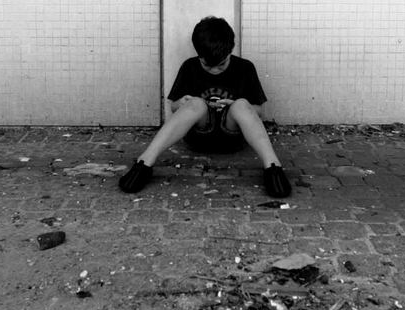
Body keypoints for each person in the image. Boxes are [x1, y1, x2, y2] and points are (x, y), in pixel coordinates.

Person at [119, 16, 291, 198]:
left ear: (231, 51)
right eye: (208, 66)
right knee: (195, 103)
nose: (215, 70)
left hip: (232, 137)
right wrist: (182, 103)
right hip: (199, 136)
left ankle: (273, 167)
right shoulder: (189, 67)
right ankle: (144, 163)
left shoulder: (245, 68)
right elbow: (174, 106)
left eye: (221, 64)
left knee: (241, 104)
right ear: (198, 55)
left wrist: (235, 105)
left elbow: (258, 111)